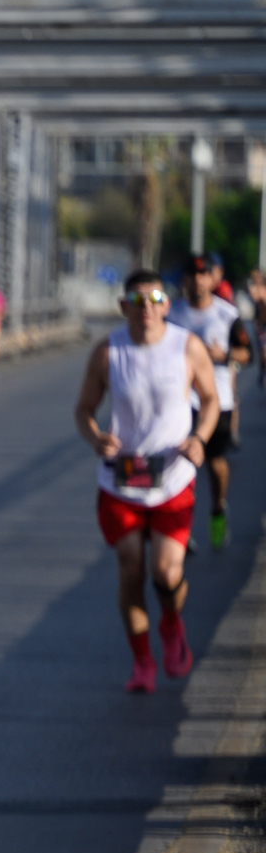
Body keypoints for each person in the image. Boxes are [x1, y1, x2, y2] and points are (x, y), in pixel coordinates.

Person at [73, 269, 221, 691]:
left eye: (155, 299)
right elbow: (83, 410)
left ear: (166, 304)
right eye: (137, 301)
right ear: (124, 307)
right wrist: (96, 437)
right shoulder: (107, 353)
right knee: (130, 569)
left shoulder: (186, 347)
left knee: (166, 571)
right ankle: (142, 662)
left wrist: (200, 437)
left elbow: (210, 401)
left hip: (173, 477)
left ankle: (171, 625)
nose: (147, 309)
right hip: (121, 481)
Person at [167, 254, 251, 548]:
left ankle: (217, 509)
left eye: (203, 275)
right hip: (181, 400)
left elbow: (247, 354)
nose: (197, 280)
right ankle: (181, 526)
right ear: (184, 280)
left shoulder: (226, 314)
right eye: (191, 275)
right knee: (180, 464)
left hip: (216, 401)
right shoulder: (172, 313)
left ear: (212, 279)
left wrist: (223, 356)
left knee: (215, 463)